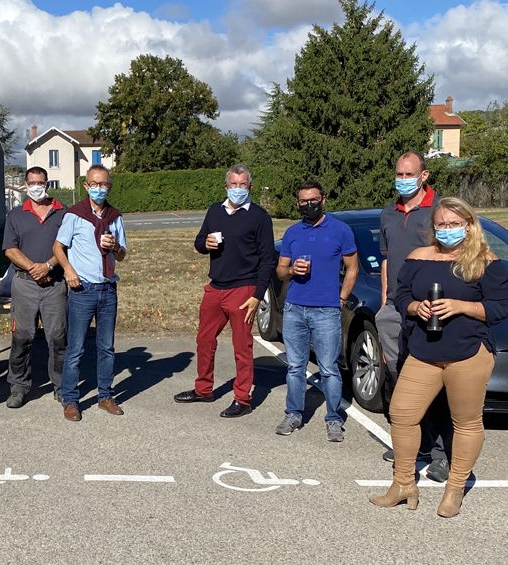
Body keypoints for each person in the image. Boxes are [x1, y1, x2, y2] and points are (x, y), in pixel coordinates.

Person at [369, 197, 508, 518]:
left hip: (468, 353)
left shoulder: (487, 262)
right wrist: (417, 308)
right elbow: (401, 295)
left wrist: (462, 307)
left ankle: (455, 488)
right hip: (423, 350)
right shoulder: (419, 257)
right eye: (441, 224)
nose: (447, 230)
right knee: (402, 413)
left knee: (467, 422)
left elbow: (500, 308)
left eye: (454, 224)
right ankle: (403, 484)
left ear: (469, 225)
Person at [174, 164, 276, 417]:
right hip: (215, 286)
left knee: (242, 345)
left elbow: (268, 260)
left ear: (249, 186)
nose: (238, 189)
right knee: (204, 340)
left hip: (244, 288)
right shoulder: (214, 211)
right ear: (226, 186)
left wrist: (257, 294)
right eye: (234, 184)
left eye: (243, 185)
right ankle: (203, 389)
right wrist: (205, 244)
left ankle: (242, 398)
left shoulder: (259, 217)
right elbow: (199, 242)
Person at [378, 151, 452, 481]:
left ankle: (440, 455)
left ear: (424, 175)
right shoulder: (388, 214)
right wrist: (383, 304)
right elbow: (385, 261)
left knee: (432, 385)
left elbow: (452, 255)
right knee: (402, 382)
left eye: (409, 174)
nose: (403, 179)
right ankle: (414, 444)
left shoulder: (439, 213)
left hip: (428, 311)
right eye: (399, 174)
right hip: (395, 310)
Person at [274, 181, 358, 442]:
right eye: (303, 201)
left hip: (326, 310)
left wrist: (342, 297)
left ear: (323, 199)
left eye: (313, 200)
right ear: (298, 203)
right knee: (295, 367)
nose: (309, 205)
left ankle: (334, 419)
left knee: (329, 368)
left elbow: (352, 268)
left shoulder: (340, 230)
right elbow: (280, 270)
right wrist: (291, 271)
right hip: (295, 308)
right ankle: (294, 413)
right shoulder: (292, 232)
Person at [53, 164, 127, 421]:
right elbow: (58, 247)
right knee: (76, 348)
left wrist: (116, 245)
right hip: (82, 289)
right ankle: (70, 399)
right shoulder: (75, 215)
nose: (98, 188)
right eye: (93, 184)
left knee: (106, 347)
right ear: (85, 186)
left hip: (107, 289)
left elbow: (123, 255)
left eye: (103, 184)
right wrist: (68, 271)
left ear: (110, 186)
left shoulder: (115, 217)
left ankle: (105, 395)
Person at [2, 166, 67, 408]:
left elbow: (67, 246)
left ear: (47, 183)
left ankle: (62, 386)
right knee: (22, 337)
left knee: (58, 338)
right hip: (25, 284)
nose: (36, 186)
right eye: (31, 182)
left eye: (40, 182)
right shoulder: (16, 215)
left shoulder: (63, 213)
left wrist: (48, 266)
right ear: (26, 185)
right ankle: (18, 387)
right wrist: (33, 267)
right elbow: (10, 248)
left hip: (55, 284)